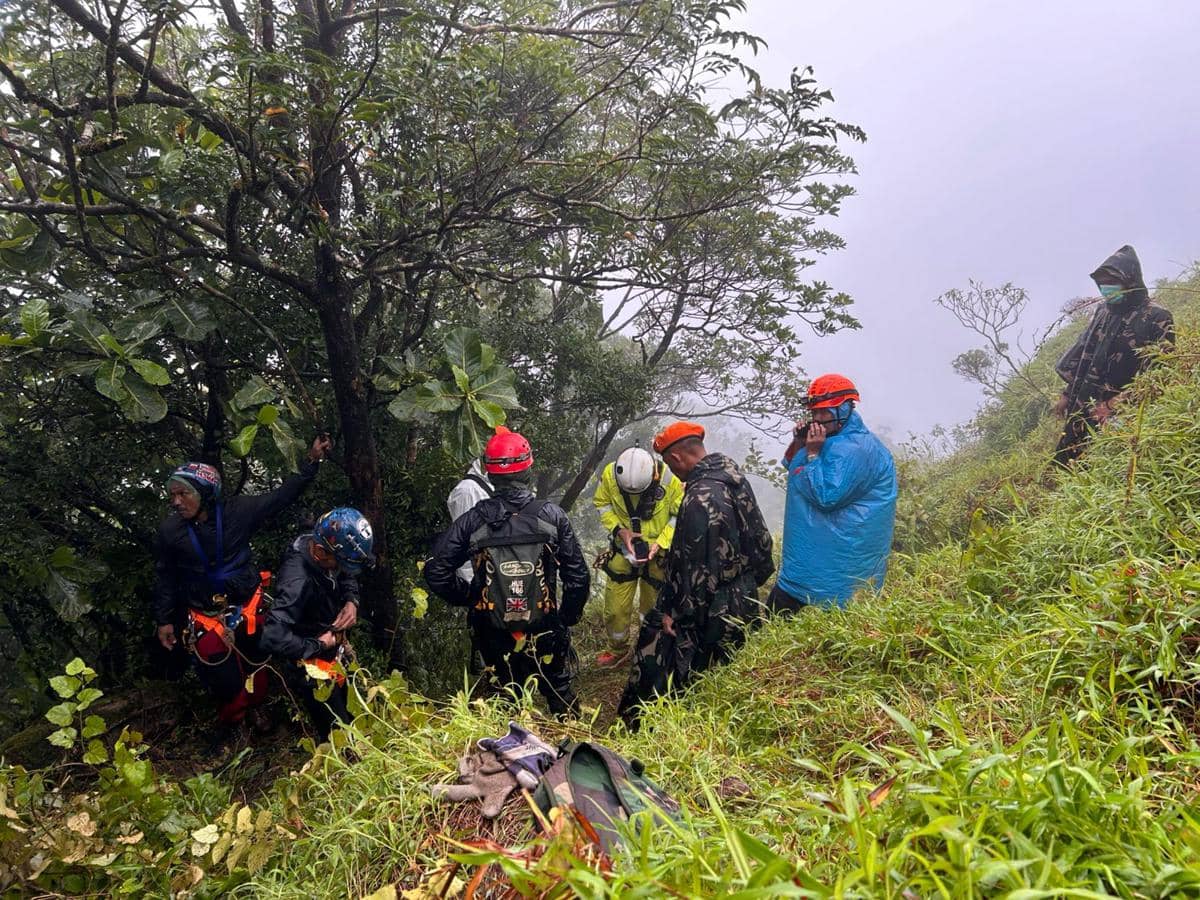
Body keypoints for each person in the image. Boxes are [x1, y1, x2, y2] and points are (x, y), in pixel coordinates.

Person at [153, 435, 331, 744]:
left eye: (183, 494)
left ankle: (256, 707)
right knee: (221, 677)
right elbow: (166, 575)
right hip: (206, 616)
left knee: (256, 663)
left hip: (247, 607)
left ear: (205, 493)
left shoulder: (238, 512)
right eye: (173, 495)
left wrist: (312, 462)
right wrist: (164, 620)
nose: (176, 502)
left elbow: (281, 497)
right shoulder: (171, 531)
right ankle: (233, 723)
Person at [424, 426, 590, 717]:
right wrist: (564, 619)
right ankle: (573, 739)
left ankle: (510, 741)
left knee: (505, 698)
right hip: (545, 626)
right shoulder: (551, 516)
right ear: (528, 471)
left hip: (492, 628)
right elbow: (577, 577)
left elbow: (436, 570)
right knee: (559, 691)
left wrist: (472, 596)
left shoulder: (473, 521)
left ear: (490, 474)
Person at [618, 422, 773, 728]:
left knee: (686, 677)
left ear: (676, 458)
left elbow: (697, 572)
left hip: (712, 608)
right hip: (745, 596)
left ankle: (669, 729)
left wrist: (675, 614)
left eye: (669, 464)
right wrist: (746, 583)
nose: (672, 472)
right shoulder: (734, 478)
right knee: (731, 673)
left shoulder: (699, 497)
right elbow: (762, 542)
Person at [769, 375, 897, 613]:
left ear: (846, 408)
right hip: (806, 569)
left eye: (825, 412)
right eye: (814, 412)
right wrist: (800, 442)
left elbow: (826, 496)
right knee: (772, 622)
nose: (818, 419)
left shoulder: (857, 449)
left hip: (836, 577)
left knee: (816, 626)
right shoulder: (831, 439)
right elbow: (793, 467)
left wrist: (813, 454)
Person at [1053, 245, 1174, 465]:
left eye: (1112, 282)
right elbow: (1085, 352)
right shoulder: (1104, 311)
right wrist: (1068, 394)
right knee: (1065, 463)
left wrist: (1112, 406)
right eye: (1102, 284)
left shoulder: (1157, 316)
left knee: (1104, 466)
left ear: (1130, 280)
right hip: (1085, 404)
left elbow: (1160, 374)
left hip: (1123, 414)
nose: (1106, 289)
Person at [260, 507, 374, 740]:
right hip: (311, 665)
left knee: (355, 715)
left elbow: (346, 572)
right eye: (339, 564)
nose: (341, 569)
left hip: (335, 651)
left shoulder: (323, 543)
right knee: (338, 732)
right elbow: (272, 635)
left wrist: (351, 600)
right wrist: (318, 644)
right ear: (320, 553)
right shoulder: (297, 582)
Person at [592, 447, 684, 667]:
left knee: (653, 608)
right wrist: (620, 531)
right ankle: (618, 649)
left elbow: (679, 514)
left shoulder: (670, 479)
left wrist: (661, 542)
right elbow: (602, 504)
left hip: (659, 555)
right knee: (615, 610)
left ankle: (649, 649)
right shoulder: (610, 475)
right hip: (623, 552)